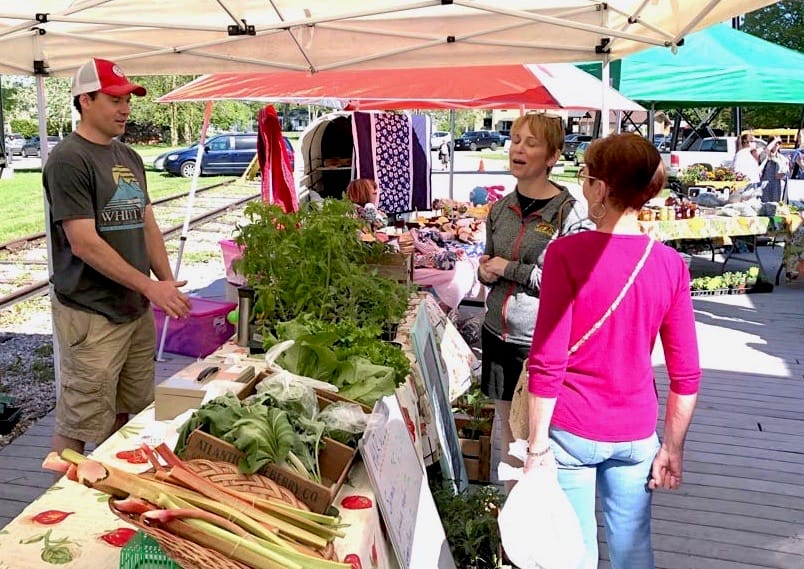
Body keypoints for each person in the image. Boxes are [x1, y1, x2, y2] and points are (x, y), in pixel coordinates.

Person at [523, 134, 701, 568]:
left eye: (585, 177)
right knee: (633, 549)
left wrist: (534, 446)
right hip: (636, 431)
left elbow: (548, 360)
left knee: (573, 552)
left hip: (570, 428)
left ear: (601, 190)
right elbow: (686, 374)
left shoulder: (565, 254)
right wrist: (672, 448)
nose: (583, 186)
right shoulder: (669, 264)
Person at [45, 58, 191, 459]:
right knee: (79, 423)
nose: (125, 108)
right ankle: (52, 512)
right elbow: (84, 243)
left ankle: (110, 490)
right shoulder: (69, 159)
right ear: (85, 100)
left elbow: (147, 225)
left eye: (128, 99)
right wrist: (149, 286)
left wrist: (166, 283)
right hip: (91, 315)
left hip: (134, 309)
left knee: (130, 412)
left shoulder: (128, 157)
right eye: (114, 99)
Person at [477, 113, 589, 490]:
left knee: (537, 443)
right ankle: (512, 530)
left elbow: (566, 284)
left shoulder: (568, 214)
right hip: (497, 335)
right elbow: (485, 263)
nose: (518, 149)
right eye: (515, 140)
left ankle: (541, 525)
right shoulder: (499, 209)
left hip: (540, 344)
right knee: (507, 438)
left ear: (553, 156)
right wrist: (485, 271)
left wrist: (509, 268)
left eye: (531, 142)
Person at [759, 137, 789, 203]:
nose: (776, 145)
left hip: (777, 185)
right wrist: (776, 140)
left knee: (776, 206)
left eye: (778, 143)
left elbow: (787, 172)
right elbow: (767, 150)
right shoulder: (765, 155)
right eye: (774, 143)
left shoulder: (782, 158)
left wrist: (784, 173)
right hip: (765, 185)